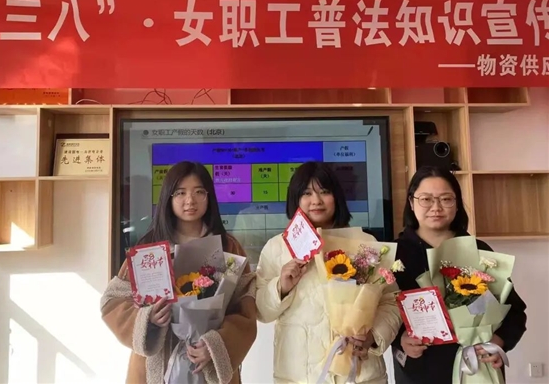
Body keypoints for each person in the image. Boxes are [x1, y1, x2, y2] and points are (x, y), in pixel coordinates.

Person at [100, 161, 257, 384]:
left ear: (209, 197)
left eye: (199, 192)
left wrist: (215, 345)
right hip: (154, 368)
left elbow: (245, 309)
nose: (190, 200)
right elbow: (112, 301)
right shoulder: (149, 247)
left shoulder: (228, 246)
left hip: (207, 365)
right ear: (168, 198)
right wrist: (147, 318)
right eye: (180, 193)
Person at [255, 161, 402, 383]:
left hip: (360, 373)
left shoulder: (366, 243)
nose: (316, 201)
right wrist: (281, 287)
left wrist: (373, 337)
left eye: (324, 192)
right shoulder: (277, 247)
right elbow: (261, 311)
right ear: (295, 199)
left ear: (337, 197)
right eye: (306, 193)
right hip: (299, 376)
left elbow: (391, 301)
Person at [391, 166, 527, 384]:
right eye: (426, 199)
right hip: (421, 372)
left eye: (446, 199)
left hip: (477, 369)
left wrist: (499, 341)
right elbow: (383, 315)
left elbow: (514, 310)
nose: (436, 207)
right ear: (411, 202)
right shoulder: (396, 255)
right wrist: (400, 340)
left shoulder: (478, 250)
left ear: (457, 203)